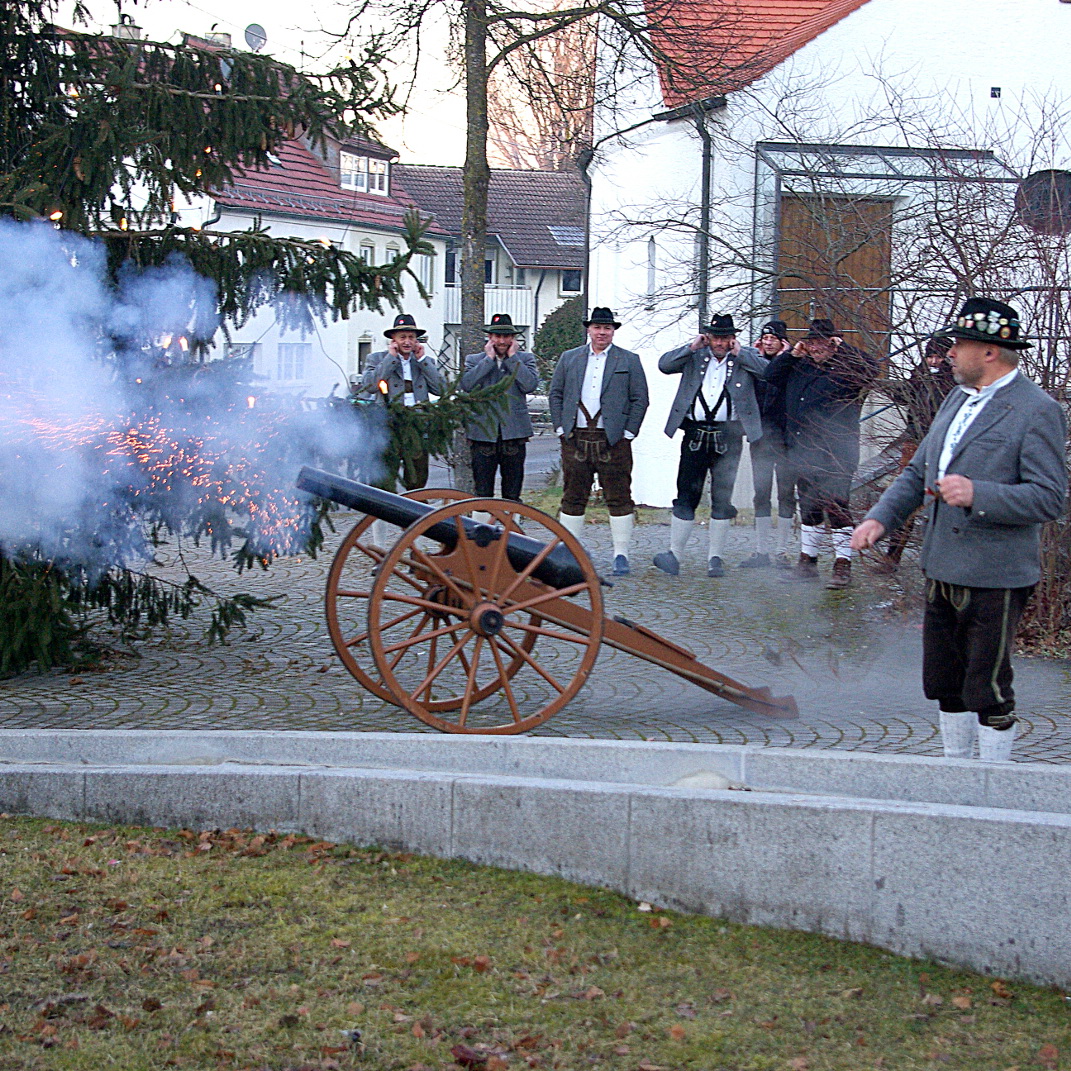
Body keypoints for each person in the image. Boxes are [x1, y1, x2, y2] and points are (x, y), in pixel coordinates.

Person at [852, 297, 1067, 763]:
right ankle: (955, 776)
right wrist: (879, 517)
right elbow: (918, 473)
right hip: (942, 566)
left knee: (985, 687)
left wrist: (979, 494)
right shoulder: (955, 397)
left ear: (989, 352)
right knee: (944, 683)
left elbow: (1050, 498)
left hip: (997, 574)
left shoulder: (1037, 410)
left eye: (959, 344)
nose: (949, 353)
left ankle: (992, 788)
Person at [763, 318, 879, 589]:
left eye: (820, 342)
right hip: (801, 449)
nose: (815, 348)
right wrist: (793, 354)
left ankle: (843, 564)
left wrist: (845, 349)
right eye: (811, 342)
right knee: (809, 506)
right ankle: (808, 561)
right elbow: (770, 376)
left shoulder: (847, 368)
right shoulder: (799, 366)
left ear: (832, 342)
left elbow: (872, 369)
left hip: (836, 452)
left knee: (837, 507)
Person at [652, 314, 768, 577]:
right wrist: (691, 346)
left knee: (722, 498)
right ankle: (674, 555)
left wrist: (742, 354)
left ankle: (715, 558)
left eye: (725, 338)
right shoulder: (695, 355)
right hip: (694, 433)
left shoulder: (744, 358)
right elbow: (664, 365)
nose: (720, 342)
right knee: (686, 494)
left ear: (733, 339)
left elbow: (768, 373)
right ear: (708, 337)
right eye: (716, 337)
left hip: (729, 435)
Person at [548, 306, 649, 575]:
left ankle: (621, 554)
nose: (602, 332)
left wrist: (628, 434)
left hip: (613, 439)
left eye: (607, 328)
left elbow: (641, 399)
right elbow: (555, 393)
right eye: (597, 327)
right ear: (589, 329)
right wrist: (560, 428)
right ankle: (570, 552)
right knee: (572, 495)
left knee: (619, 496)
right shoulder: (569, 358)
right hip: (575, 436)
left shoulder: (629, 360)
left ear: (613, 331)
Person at [872, 333, 957, 572]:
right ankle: (892, 556)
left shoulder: (954, 381)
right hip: (915, 442)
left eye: (938, 356)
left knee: (943, 500)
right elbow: (903, 395)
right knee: (905, 498)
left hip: (943, 445)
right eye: (930, 356)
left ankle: (942, 559)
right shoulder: (921, 375)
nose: (933, 361)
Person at [459, 312, 539, 504]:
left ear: (513, 338)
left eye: (506, 336)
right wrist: (489, 360)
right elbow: (467, 385)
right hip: (483, 433)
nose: (502, 341)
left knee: (512, 493)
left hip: (514, 433)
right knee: (482, 493)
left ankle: (511, 532)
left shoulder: (525, 359)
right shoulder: (474, 360)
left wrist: (512, 359)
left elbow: (529, 385)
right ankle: (481, 532)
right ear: (490, 338)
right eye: (497, 336)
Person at [363, 313, 444, 491]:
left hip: (417, 424)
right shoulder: (377, 359)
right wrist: (391, 359)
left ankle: (414, 512)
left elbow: (441, 389)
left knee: (417, 477)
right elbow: (370, 386)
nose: (407, 342)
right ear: (393, 339)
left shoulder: (424, 362)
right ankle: (382, 514)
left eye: (411, 337)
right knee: (384, 478)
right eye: (402, 337)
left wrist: (422, 360)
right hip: (388, 424)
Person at [742, 319, 797, 569]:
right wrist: (755, 353)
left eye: (773, 338)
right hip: (761, 437)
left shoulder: (793, 363)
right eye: (764, 338)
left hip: (786, 439)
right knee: (761, 493)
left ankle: (782, 551)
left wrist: (786, 357)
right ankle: (761, 551)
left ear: (783, 342)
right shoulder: (755, 364)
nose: (768, 342)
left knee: (786, 493)